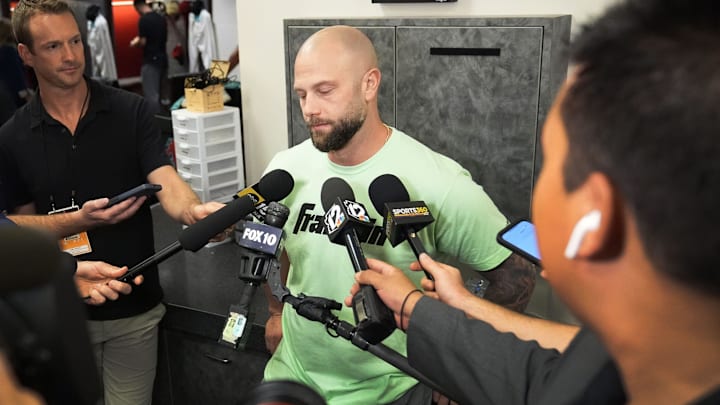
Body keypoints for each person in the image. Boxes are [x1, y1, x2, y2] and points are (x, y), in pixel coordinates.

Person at [346, 0, 720, 403]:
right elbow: (555, 366)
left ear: (594, 220)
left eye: (553, 164)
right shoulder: (656, 350)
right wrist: (427, 307)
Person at [261, 25, 537, 404]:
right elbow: (281, 246)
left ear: (369, 84)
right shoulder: (285, 168)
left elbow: (515, 273)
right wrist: (276, 312)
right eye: (302, 94)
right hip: (293, 376)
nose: (310, 108)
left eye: (325, 91)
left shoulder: (440, 181)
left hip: (395, 385)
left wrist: (463, 365)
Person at [0, 0, 225, 403]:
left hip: (132, 308)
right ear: (26, 54)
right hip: (58, 314)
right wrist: (77, 221)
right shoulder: (12, 137)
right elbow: (16, 229)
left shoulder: (130, 110)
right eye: (53, 47)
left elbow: (163, 177)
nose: (70, 56)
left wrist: (193, 211)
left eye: (74, 42)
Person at [130, 0, 167, 113]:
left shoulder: (144, 20)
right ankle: (165, 123)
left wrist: (134, 43)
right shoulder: (161, 18)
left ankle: (155, 125)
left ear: (138, 7)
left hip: (150, 60)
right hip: (163, 59)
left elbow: (143, 41)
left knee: (151, 95)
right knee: (162, 96)